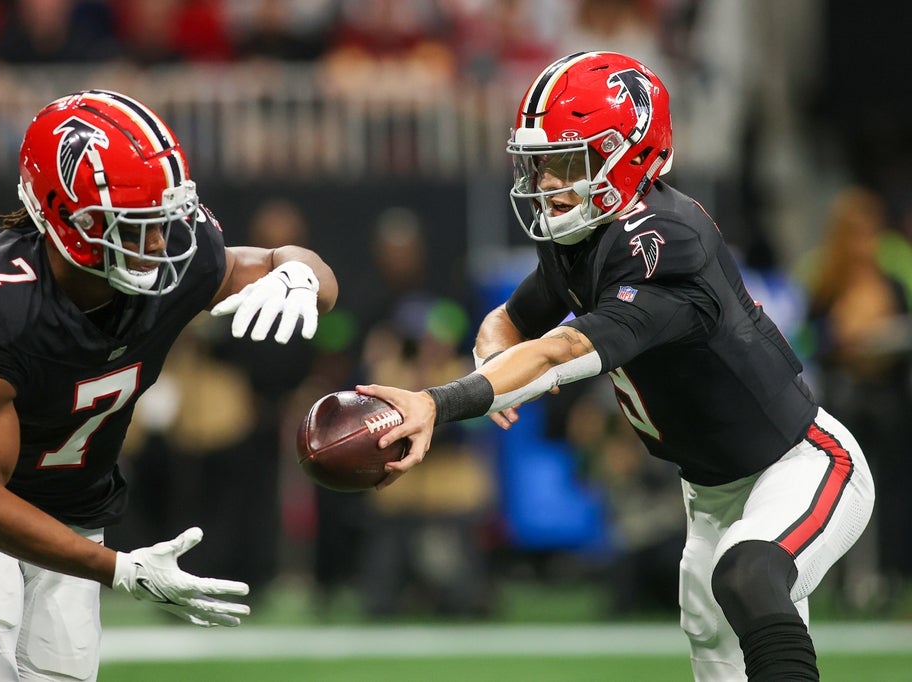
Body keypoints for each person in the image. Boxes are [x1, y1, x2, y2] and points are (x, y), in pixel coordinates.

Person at [358, 51, 874, 682]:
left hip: (804, 461)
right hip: (709, 491)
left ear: (623, 155)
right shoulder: (584, 238)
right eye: (541, 163)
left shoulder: (664, 242)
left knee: (749, 573)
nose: (547, 180)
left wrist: (440, 402)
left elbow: (565, 349)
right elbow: (510, 321)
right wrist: (495, 366)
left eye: (565, 162)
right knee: (718, 630)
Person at [0, 89, 337, 681]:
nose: (156, 245)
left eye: (159, 221)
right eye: (130, 225)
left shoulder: (180, 253)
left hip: (76, 504)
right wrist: (119, 568)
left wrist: (302, 275)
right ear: (62, 216)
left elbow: (290, 262)